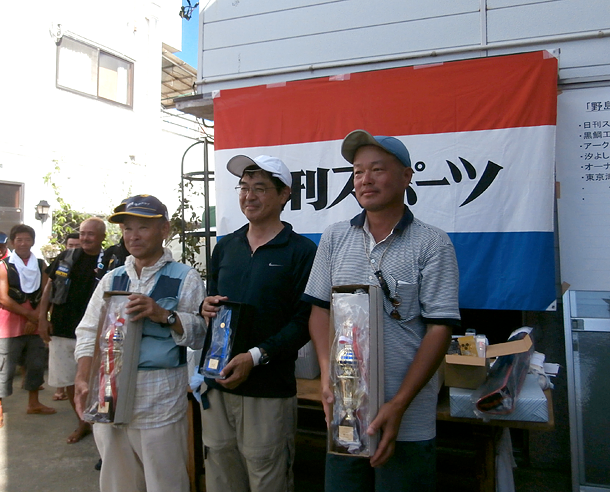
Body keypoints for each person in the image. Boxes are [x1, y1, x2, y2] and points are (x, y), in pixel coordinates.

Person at [303, 130, 461, 491]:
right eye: (358, 172)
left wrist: (400, 403)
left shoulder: (432, 242)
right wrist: (327, 375)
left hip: (408, 416)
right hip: (347, 409)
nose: (365, 180)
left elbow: (439, 328)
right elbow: (319, 310)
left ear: (406, 176)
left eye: (377, 169)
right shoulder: (334, 237)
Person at [199, 155, 317, 492]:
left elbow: (304, 322)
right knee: (220, 469)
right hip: (217, 382)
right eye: (244, 187)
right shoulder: (225, 247)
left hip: (268, 390)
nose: (248, 196)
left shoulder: (302, 251)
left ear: (284, 195)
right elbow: (212, 304)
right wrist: (205, 307)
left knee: (268, 474)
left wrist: (254, 356)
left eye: (260, 188)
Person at [74, 194, 206, 492]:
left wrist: (164, 315)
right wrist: (83, 378)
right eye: (127, 228)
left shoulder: (185, 278)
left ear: (164, 229)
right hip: (109, 393)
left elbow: (199, 334)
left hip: (157, 398)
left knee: (165, 480)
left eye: (142, 227)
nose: (133, 236)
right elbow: (88, 330)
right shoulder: (112, 279)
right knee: (117, 479)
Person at [38, 217, 107, 444]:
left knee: (96, 380)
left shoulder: (110, 262)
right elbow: (49, 287)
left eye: (91, 234)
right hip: (62, 328)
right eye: (83, 233)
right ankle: (82, 422)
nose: (85, 238)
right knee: (68, 379)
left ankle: (101, 425)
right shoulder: (66, 257)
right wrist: (42, 318)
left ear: (102, 237)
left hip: (94, 332)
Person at [0, 224, 55, 428]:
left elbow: (46, 292)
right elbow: (3, 298)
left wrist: (39, 317)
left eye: (27, 239)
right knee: (4, 367)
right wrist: (32, 316)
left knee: (36, 364)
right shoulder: (4, 266)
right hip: (9, 325)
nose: (23, 243)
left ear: (32, 242)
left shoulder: (41, 265)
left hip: (34, 324)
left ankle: (34, 403)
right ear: (12, 243)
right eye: (19, 240)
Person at [51, 233, 81, 402]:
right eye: (71, 245)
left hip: (84, 327)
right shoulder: (62, 260)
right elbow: (49, 288)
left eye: (77, 245)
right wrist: (42, 318)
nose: (74, 248)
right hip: (62, 324)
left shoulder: (99, 261)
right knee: (64, 373)